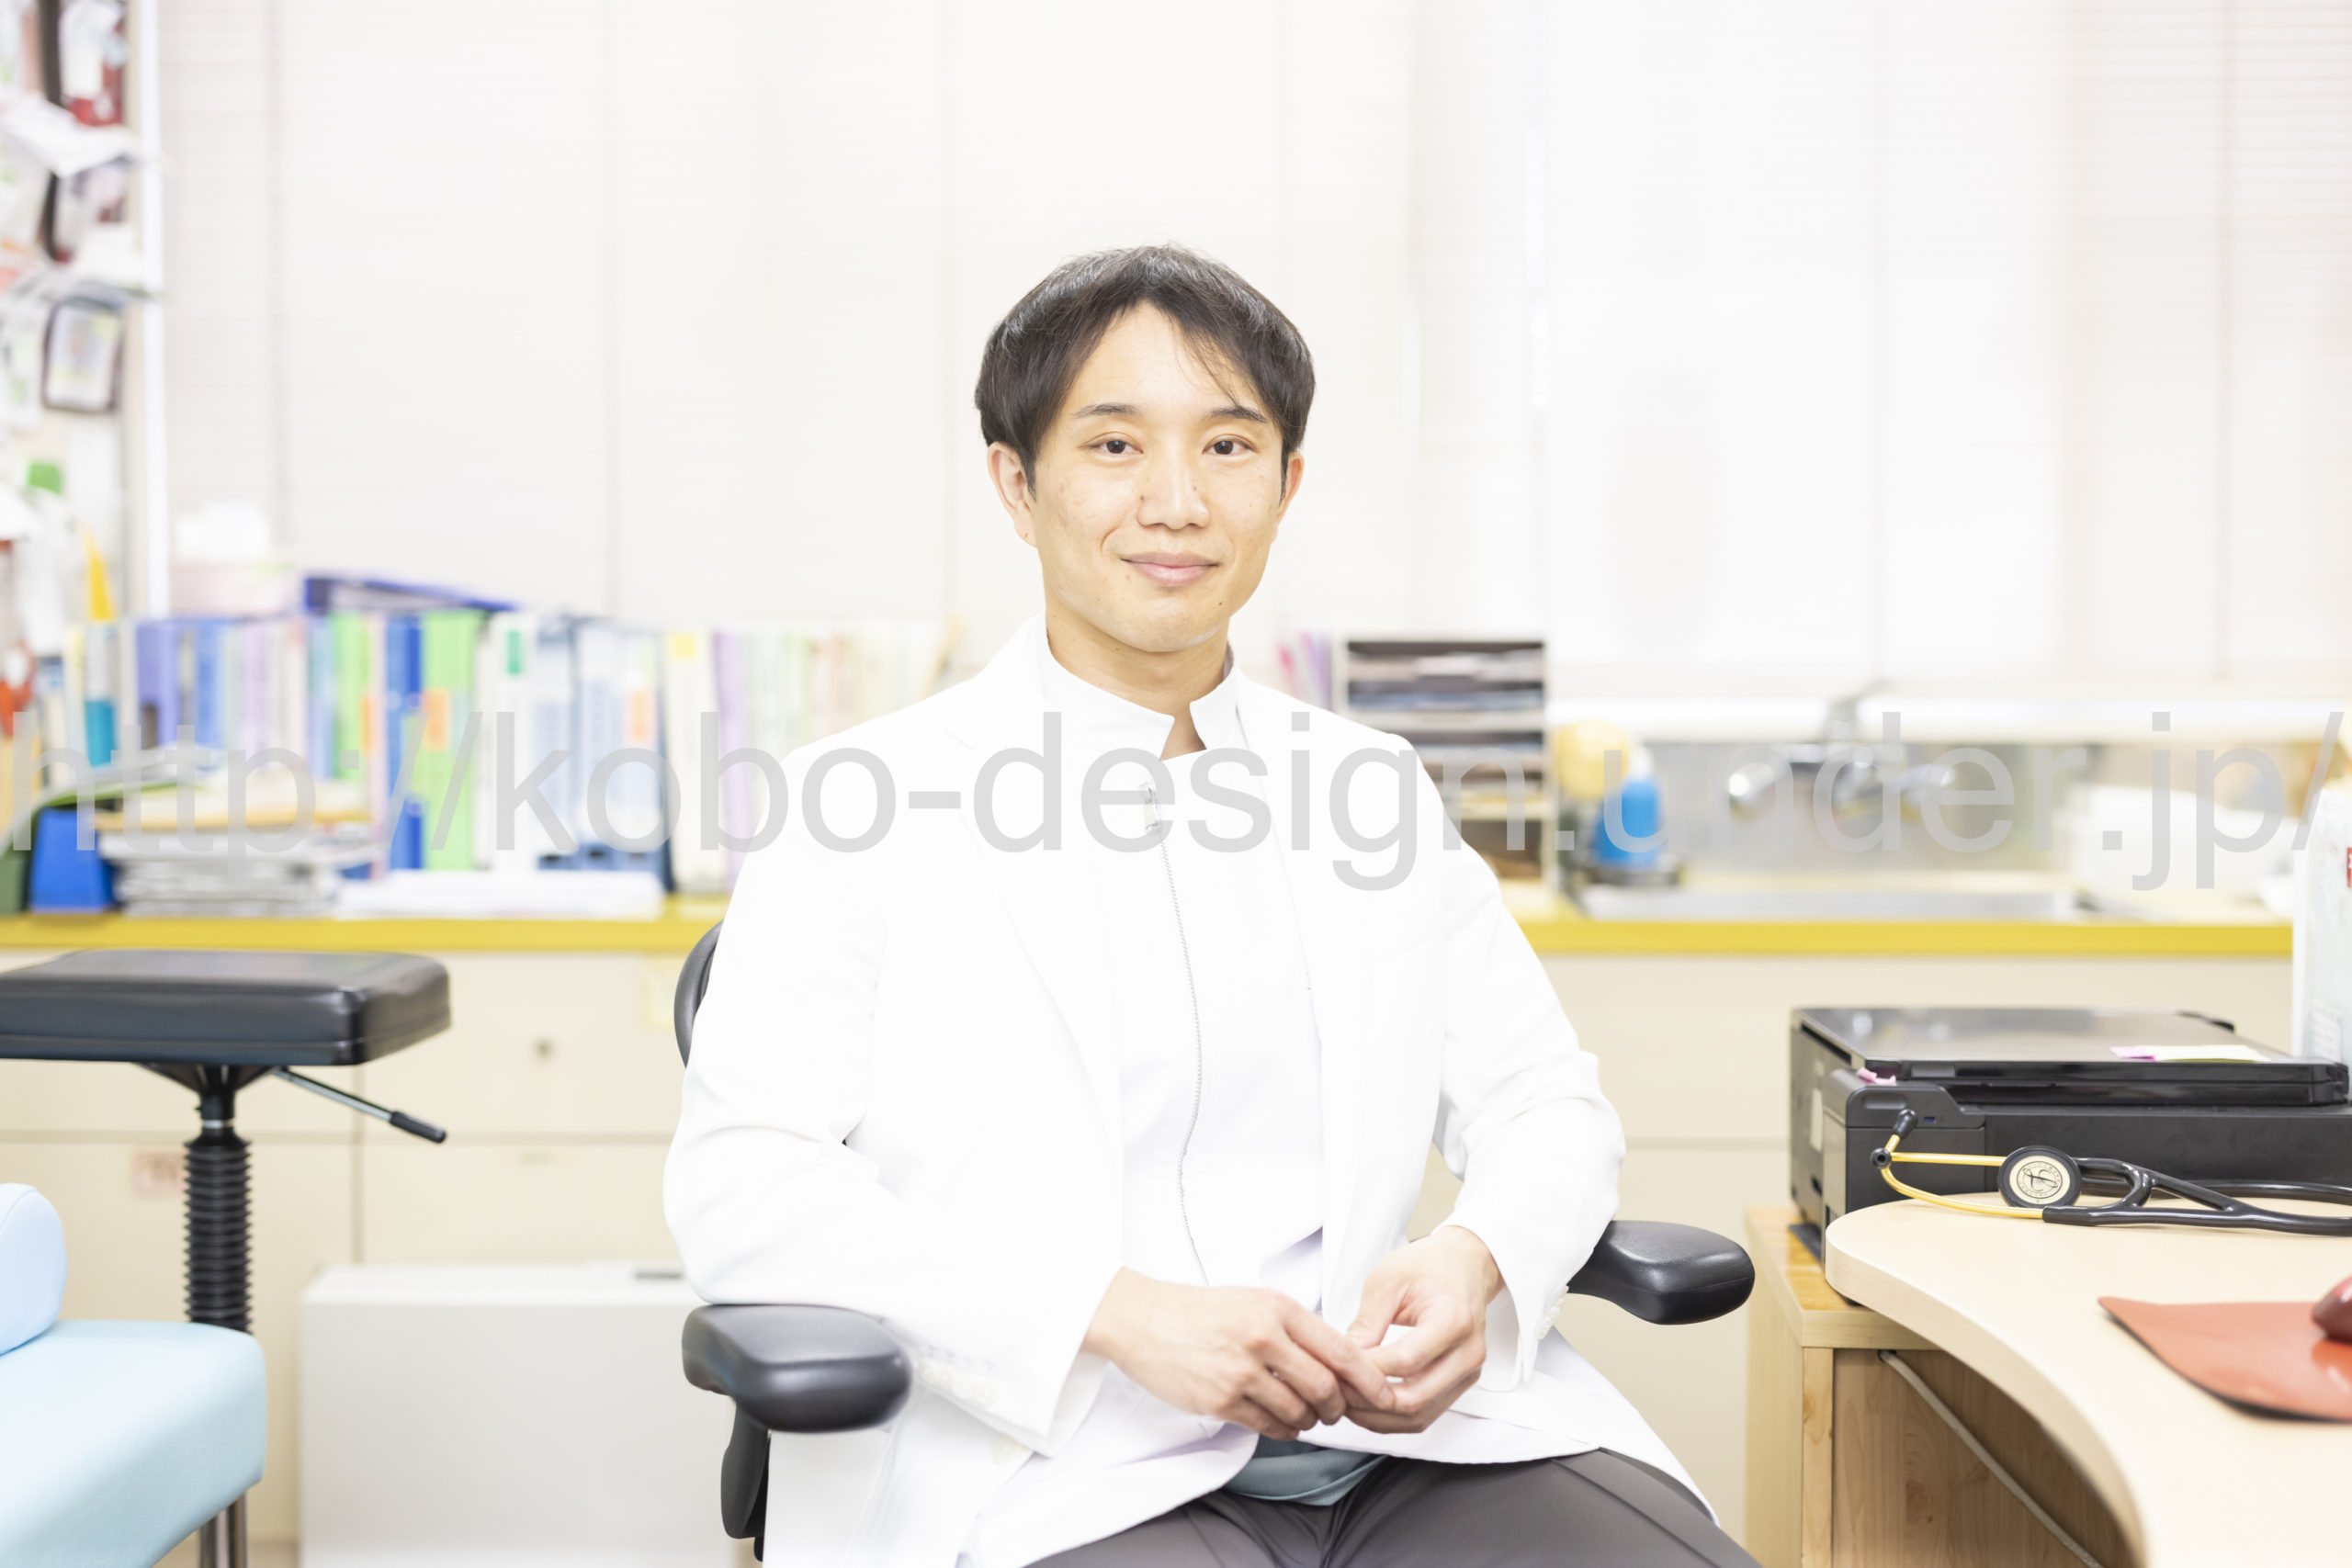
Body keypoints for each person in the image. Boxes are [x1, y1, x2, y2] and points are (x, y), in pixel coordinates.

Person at [664, 244, 1756, 1568]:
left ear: (1286, 486)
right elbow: (745, 1190)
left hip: (1411, 1440)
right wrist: (1115, 1315)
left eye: (1228, 447)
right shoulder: (863, 802)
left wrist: (1475, 1255)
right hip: (1052, 1458)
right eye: (1114, 446)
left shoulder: (1368, 789)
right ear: (1017, 485)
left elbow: (1545, 1104)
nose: (1175, 503)